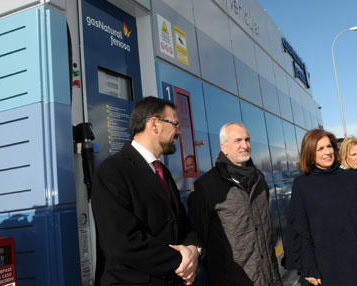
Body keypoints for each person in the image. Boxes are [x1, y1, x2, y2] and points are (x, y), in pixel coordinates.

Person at [91, 96, 200, 286]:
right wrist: (181, 261)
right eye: (175, 123)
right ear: (155, 124)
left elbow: (182, 223)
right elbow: (122, 242)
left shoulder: (162, 172)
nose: (178, 132)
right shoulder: (112, 171)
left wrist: (193, 250)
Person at [284, 129, 357, 286]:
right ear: (310, 153)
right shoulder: (302, 185)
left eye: (329, 146)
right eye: (320, 148)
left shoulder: (349, 178)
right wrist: (308, 267)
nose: (327, 152)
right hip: (326, 267)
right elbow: (300, 228)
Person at [187, 122, 281, 286]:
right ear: (224, 147)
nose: (245, 145)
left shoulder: (259, 179)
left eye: (247, 139)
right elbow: (198, 237)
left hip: (270, 278)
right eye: (238, 140)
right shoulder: (205, 186)